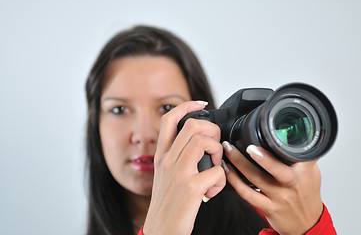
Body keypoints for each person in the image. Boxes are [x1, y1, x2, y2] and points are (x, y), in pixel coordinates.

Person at [85, 25, 336, 235]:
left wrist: (311, 227)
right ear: (95, 123)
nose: (144, 135)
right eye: (119, 110)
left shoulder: (272, 223)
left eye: (167, 107)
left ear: (204, 118)